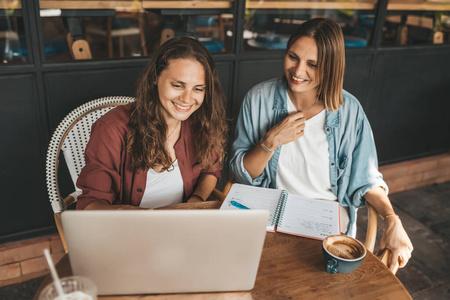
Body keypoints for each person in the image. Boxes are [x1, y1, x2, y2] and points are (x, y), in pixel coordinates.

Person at [230, 18, 413, 271]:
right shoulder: (258, 98)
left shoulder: (349, 112)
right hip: (272, 220)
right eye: (293, 57)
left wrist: (393, 219)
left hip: (327, 227)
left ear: (331, 67)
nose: (298, 71)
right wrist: (269, 142)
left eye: (312, 64)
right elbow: (242, 174)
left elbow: (367, 179)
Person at [76, 36, 227, 210]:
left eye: (198, 89)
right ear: (155, 77)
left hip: (183, 227)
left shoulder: (201, 121)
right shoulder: (112, 128)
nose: (187, 99)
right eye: (178, 85)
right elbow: (90, 205)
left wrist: (196, 200)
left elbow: (211, 170)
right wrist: (141, 218)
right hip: (128, 230)